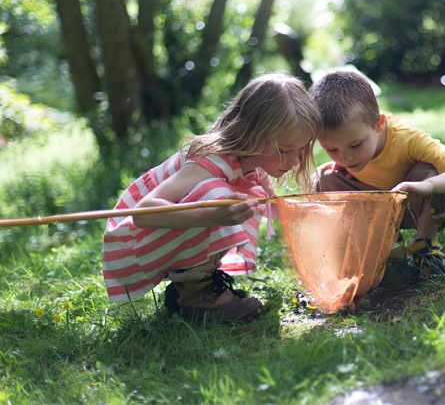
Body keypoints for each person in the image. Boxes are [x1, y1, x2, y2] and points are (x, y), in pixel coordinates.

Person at [102, 74, 322, 323]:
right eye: (285, 150)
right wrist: (215, 214)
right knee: (220, 197)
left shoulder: (254, 161)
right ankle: (197, 296)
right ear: (253, 134)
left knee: (250, 197)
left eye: (301, 150)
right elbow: (144, 213)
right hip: (131, 242)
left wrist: (307, 217)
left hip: (158, 239)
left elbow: (274, 206)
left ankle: (188, 288)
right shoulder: (211, 162)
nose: (294, 161)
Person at [310, 71, 445, 277]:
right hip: (377, 209)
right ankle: (379, 244)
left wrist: (428, 186)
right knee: (321, 180)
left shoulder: (407, 138)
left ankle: (425, 244)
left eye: (355, 145)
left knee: (430, 171)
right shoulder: (347, 151)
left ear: (379, 123)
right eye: (332, 150)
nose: (346, 158)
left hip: (415, 207)